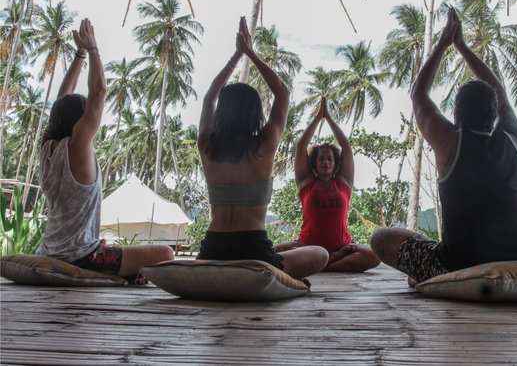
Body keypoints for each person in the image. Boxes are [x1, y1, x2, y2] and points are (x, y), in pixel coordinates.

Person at [370, 7, 517, 284]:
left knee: (381, 238)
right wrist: (464, 48)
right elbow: (501, 94)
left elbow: (419, 94)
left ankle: (427, 275)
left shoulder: (450, 142)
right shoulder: (513, 139)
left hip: (459, 264)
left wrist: (445, 43)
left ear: (456, 113)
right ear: (495, 113)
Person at [37, 18, 174, 281]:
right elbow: (98, 90)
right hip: (81, 256)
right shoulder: (77, 147)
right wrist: (94, 50)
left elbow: (61, 100)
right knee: (166, 253)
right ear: (81, 122)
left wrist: (80, 55)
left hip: (49, 251)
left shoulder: (47, 147)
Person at [196, 16, 328, 279]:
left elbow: (211, 95)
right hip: (253, 249)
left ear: (221, 113)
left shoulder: (207, 147)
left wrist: (236, 57)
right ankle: (263, 274)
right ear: (256, 113)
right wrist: (250, 53)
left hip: (213, 249)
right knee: (320, 254)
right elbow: (282, 94)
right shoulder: (264, 147)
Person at [274, 98, 380, 272]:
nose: (325, 162)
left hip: (342, 248)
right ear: (314, 163)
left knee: (373, 256)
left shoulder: (344, 182)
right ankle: (329, 262)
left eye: (329, 159)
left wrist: (329, 118)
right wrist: (318, 117)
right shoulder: (306, 183)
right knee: (275, 251)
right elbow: (301, 146)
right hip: (308, 248)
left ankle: (323, 264)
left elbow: (345, 146)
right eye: (321, 159)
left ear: (336, 162)